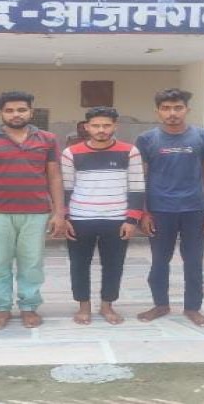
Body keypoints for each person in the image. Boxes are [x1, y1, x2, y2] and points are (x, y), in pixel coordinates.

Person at [0, 91, 67, 330]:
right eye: (9, 110)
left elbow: (54, 176)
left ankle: (29, 306)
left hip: (36, 212)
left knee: (32, 264)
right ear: (1, 113)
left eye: (21, 110)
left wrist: (58, 212)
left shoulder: (47, 139)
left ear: (31, 112)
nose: (16, 114)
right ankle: (1, 308)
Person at [135, 88, 204, 328]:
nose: (172, 113)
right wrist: (144, 212)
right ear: (158, 112)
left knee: (194, 261)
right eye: (166, 108)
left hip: (194, 209)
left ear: (187, 110)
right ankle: (160, 304)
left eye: (178, 108)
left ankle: (193, 308)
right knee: (160, 261)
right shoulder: (146, 139)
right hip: (160, 210)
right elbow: (141, 176)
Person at [61, 106, 144, 325]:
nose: (101, 130)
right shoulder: (71, 153)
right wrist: (65, 218)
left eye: (106, 125)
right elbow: (65, 189)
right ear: (86, 127)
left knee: (114, 265)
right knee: (79, 265)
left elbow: (137, 187)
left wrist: (132, 219)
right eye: (96, 125)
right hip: (80, 219)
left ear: (115, 126)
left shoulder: (130, 151)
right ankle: (84, 306)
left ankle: (107, 306)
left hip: (117, 219)